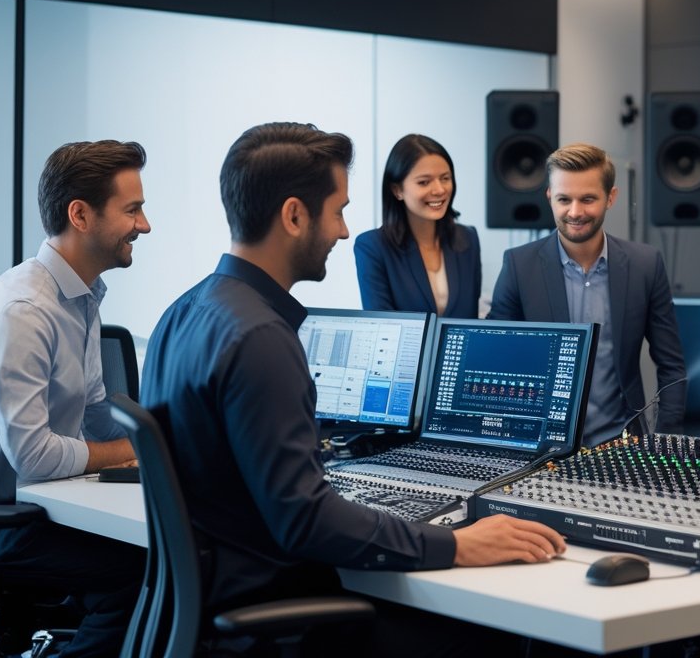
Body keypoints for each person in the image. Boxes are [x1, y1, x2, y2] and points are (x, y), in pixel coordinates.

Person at [139, 122, 564, 653]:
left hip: (211, 600)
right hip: (275, 613)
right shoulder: (263, 338)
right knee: (496, 635)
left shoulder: (182, 313)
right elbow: (307, 520)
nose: (343, 232)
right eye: (337, 211)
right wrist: (454, 543)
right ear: (294, 215)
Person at [0, 140, 151, 657]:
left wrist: (160, 441)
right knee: (143, 570)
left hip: (31, 506)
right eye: (132, 209)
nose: (145, 225)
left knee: (159, 550)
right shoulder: (24, 311)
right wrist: (125, 453)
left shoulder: (81, 296)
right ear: (80, 215)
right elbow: (34, 456)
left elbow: (95, 412)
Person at [489, 143, 687, 446]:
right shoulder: (518, 265)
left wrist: (664, 442)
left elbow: (672, 365)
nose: (575, 212)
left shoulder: (645, 265)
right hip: (538, 448)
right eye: (564, 199)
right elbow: (497, 360)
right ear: (549, 198)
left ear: (611, 198)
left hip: (622, 446)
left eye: (588, 199)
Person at [354, 134, 482, 317]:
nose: (439, 190)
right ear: (397, 190)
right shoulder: (372, 246)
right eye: (424, 182)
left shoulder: (468, 238)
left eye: (445, 178)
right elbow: (382, 326)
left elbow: (470, 319)